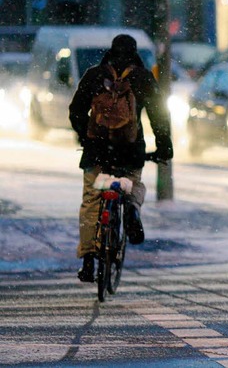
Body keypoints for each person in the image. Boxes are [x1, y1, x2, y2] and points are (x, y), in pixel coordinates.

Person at [69, 34, 173, 283]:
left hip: (97, 152)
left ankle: (88, 260)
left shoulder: (94, 75)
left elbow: (76, 111)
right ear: (135, 53)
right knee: (133, 186)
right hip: (129, 151)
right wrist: (163, 147)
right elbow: (159, 116)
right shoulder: (143, 78)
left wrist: (86, 137)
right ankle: (132, 211)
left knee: (92, 201)